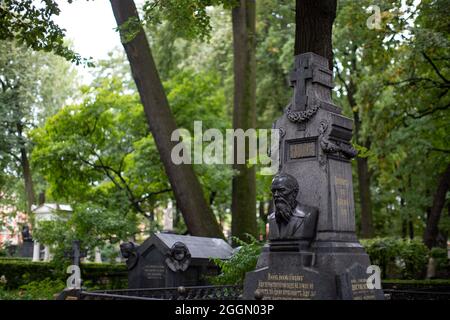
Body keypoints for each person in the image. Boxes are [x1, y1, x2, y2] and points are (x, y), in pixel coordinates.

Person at [268, 173, 318, 240]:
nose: (276, 195)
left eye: (282, 190)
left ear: (294, 193)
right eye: (273, 191)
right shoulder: (271, 218)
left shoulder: (308, 214)